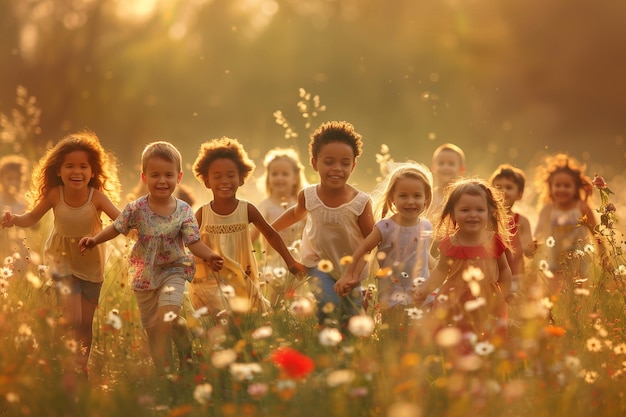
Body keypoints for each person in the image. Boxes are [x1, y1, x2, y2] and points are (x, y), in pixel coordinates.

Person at [78, 141, 224, 376]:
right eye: (155, 175)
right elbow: (116, 227)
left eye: (168, 174)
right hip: (144, 274)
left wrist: (210, 255)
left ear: (178, 177)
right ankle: (167, 374)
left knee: (167, 315)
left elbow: (193, 241)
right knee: (154, 329)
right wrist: (95, 239)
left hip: (174, 270)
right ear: (144, 177)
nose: (162, 180)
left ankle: (185, 356)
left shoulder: (184, 210)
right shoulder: (136, 208)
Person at [1, 131, 121, 376]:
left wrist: (138, 224)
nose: (76, 171)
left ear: (92, 171)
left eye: (83, 166)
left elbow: (120, 222)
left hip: (91, 265)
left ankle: (80, 367)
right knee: (73, 317)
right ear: (59, 170)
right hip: (61, 261)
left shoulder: (96, 197)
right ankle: (64, 362)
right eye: (70, 166)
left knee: (85, 323)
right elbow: (32, 217)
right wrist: (14, 219)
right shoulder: (56, 195)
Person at [188, 137, 306, 317]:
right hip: (212, 278)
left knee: (246, 318)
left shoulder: (247, 209)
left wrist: (290, 261)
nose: (224, 181)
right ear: (206, 181)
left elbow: (271, 235)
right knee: (221, 317)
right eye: (217, 176)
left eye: (230, 175)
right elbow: (190, 241)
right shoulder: (202, 214)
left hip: (243, 276)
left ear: (241, 178)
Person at [272, 121, 374, 326]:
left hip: (351, 268)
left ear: (353, 166)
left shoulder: (360, 202)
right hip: (318, 263)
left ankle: (358, 303)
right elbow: (294, 214)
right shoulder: (308, 196)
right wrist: (268, 228)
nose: (337, 168)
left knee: (351, 320)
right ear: (314, 163)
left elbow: (370, 242)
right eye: (329, 162)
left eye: (345, 163)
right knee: (328, 304)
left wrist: (352, 274)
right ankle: (323, 339)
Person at [334, 162, 434, 332]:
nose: (411, 201)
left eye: (417, 196)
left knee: (420, 336)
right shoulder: (385, 227)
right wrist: (351, 274)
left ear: (426, 199)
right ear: (392, 199)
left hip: (422, 291)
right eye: (403, 196)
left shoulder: (426, 225)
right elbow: (363, 248)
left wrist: (441, 269)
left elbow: (423, 252)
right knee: (393, 334)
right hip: (392, 293)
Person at [414, 178, 512, 343]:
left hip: (488, 297)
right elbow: (441, 271)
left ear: (489, 212)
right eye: (465, 210)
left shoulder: (493, 241)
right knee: (456, 338)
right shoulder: (450, 243)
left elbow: (504, 269)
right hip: (455, 299)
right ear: (452, 213)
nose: (473, 215)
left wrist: (507, 292)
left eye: (480, 210)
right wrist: (425, 288)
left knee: (489, 337)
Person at [250, 147, 308, 303]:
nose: (279, 178)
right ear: (268, 177)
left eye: (285, 174)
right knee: (275, 299)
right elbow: (252, 236)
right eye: (274, 174)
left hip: (299, 259)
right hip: (273, 261)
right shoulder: (265, 206)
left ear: (295, 177)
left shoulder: (300, 206)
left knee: (296, 298)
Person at [533, 153, 597, 292]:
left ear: (576, 188)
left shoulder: (582, 207)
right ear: (551, 187)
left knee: (576, 293)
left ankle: (576, 312)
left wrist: (604, 255)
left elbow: (596, 233)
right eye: (558, 185)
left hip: (579, 260)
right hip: (555, 258)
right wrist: (534, 243)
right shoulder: (548, 209)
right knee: (553, 293)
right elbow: (538, 233)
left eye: (567, 186)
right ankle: (552, 312)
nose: (561, 189)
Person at [490, 164, 534, 291]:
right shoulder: (487, 218)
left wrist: (533, 246)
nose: (503, 191)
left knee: (514, 307)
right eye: (498, 187)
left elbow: (529, 251)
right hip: (492, 276)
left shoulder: (521, 221)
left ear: (519, 195)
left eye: (509, 187)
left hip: (516, 275)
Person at [0, 154, 31, 272]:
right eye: (9, 178)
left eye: (17, 179)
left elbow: (33, 223)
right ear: (2, 179)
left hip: (20, 249)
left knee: (19, 275)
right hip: (2, 246)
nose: (13, 182)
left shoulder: (24, 202)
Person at [426, 143, 466, 224]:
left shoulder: (465, 197)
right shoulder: (428, 198)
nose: (445, 167)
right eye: (441, 163)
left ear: (462, 169)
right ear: (433, 168)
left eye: (451, 164)